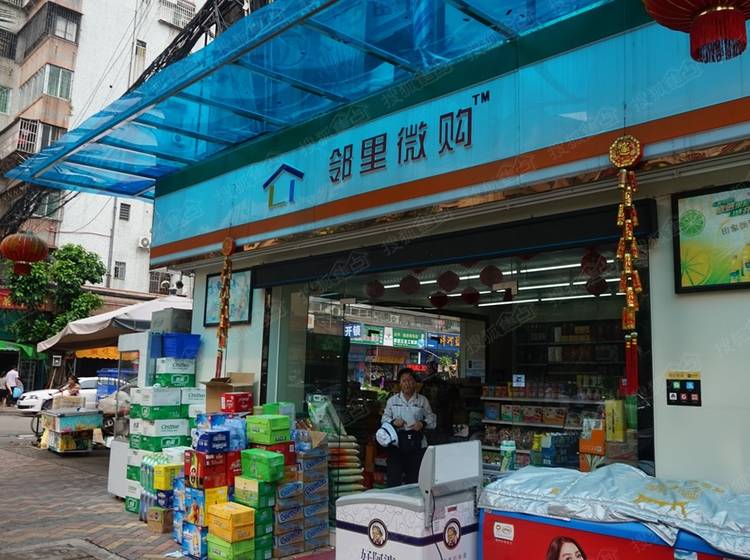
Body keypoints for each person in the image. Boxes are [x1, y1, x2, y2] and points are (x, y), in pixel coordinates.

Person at [381, 368, 436, 487]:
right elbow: (384, 419)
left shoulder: (422, 401)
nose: (407, 383)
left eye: (410, 380)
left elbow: (432, 420)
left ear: (415, 383)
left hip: (417, 446)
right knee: (393, 479)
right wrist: (393, 422)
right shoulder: (392, 401)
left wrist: (422, 423)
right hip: (396, 445)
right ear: (400, 383)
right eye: (404, 381)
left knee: (414, 481)